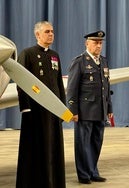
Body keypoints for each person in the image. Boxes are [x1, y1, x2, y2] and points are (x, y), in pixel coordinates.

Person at [16, 21, 66, 188]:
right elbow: (21, 82)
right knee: (35, 149)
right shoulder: (27, 54)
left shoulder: (55, 55)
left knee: (53, 148)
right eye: (47, 31)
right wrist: (25, 107)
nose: (51, 34)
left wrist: (63, 109)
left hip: (53, 112)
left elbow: (59, 83)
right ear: (37, 35)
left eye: (52, 31)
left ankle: (53, 182)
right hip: (35, 112)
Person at [66, 30, 113, 184]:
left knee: (96, 143)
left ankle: (93, 171)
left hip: (100, 110)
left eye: (100, 43)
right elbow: (72, 89)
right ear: (87, 43)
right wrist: (72, 111)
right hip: (85, 111)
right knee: (83, 144)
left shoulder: (104, 61)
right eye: (95, 42)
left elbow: (106, 87)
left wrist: (109, 109)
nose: (98, 45)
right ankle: (84, 174)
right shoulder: (79, 62)